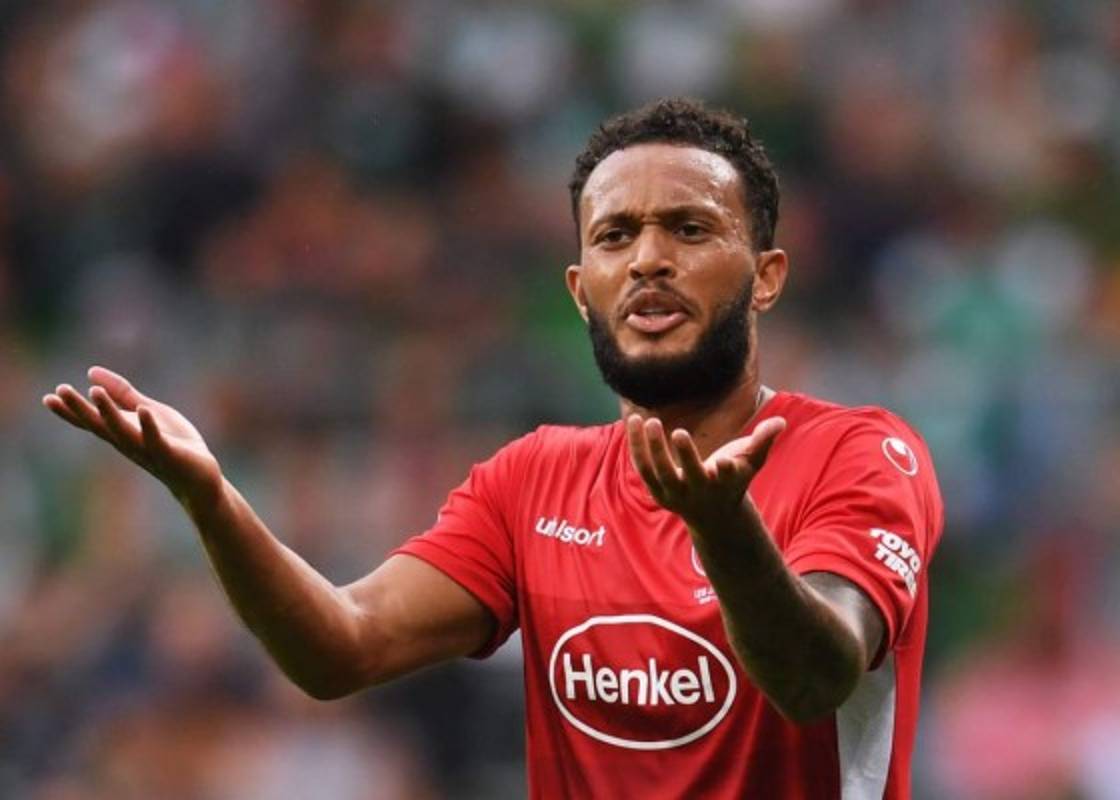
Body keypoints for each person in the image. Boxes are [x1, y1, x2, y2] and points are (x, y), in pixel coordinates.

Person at [44, 98, 943, 799]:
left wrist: (724, 531)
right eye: (615, 236)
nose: (648, 260)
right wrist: (211, 499)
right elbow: (340, 648)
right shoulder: (533, 480)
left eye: (690, 228)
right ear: (581, 289)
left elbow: (814, 678)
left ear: (767, 277)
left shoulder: (861, 455)